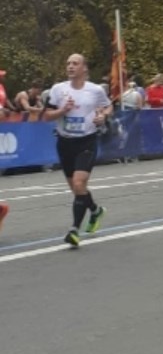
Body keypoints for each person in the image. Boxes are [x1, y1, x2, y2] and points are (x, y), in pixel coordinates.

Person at [43, 53, 112, 247]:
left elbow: (108, 107)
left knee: (79, 183)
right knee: (76, 189)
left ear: (84, 68)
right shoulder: (58, 90)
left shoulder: (95, 90)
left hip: (86, 142)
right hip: (65, 143)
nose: (70, 66)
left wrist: (103, 117)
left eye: (75, 63)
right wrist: (62, 111)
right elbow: (47, 116)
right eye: (68, 63)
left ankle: (74, 230)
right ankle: (96, 210)